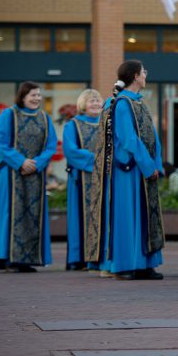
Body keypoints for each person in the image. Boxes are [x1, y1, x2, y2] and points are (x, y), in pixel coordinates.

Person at [96, 60, 165, 280]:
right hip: (129, 170)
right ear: (136, 76)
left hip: (143, 168)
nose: (146, 74)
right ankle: (125, 265)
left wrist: (157, 164)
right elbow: (128, 139)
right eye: (144, 71)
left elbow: (152, 135)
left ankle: (145, 264)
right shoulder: (122, 103)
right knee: (129, 217)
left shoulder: (138, 101)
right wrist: (148, 165)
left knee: (144, 216)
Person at [0, 81, 57, 272]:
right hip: (11, 174)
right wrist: (21, 162)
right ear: (23, 96)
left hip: (35, 174)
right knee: (9, 215)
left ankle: (27, 258)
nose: (37, 98)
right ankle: (8, 258)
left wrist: (36, 163)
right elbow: (0, 144)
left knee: (33, 215)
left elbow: (51, 145)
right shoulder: (8, 115)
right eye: (33, 95)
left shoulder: (45, 118)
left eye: (39, 95)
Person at [63, 88, 103, 271]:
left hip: (104, 178)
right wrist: (97, 160)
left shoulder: (107, 123)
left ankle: (99, 257)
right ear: (83, 105)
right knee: (79, 218)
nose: (96, 104)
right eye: (91, 101)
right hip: (81, 179)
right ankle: (78, 258)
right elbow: (70, 151)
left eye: (98, 100)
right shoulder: (72, 125)